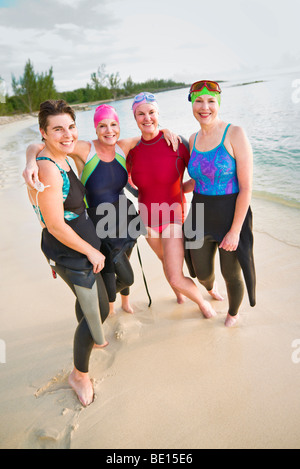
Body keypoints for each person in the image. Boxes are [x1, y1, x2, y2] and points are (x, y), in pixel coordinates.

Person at [24, 105, 178, 315]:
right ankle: (106, 305)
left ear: (119, 126)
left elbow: (150, 135)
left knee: (127, 259)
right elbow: (40, 145)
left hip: (124, 215)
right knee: (114, 269)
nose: (109, 130)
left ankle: (124, 302)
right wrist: (30, 162)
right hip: (99, 222)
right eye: (102, 126)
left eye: (113, 124)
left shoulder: (123, 145)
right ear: (95, 129)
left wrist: (166, 131)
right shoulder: (84, 148)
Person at [26, 99, 110, 407]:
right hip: (71, 253)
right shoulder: (48, 170)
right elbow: (55, 225)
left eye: (71, 127)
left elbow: (33, 146)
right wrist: (92, 251)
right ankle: (79, 374)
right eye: (58, 129)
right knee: (97, 313)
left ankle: (91, 338)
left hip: (79, 251)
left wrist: (29, 156)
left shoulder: (57, 156)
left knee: (93, 307)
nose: (67, 134)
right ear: (44, 133)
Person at [126, 92, 216, 318]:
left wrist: (182, 189)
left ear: (158, 114)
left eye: (152, 112)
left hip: (173, 217)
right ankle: (179, 294)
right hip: (146, 219)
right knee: (165, 261)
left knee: (175, 274)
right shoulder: (131, 151)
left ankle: (204, 304)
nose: (147, 118)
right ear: (135, 117)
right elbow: (124, 180)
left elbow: (198, 173)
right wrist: (138, 193)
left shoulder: (176, 143)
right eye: (141, 114)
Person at [183, 80, 256, 327]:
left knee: (231, 274)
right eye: (199, 101)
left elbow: (246, 187)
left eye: (211, 101)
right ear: (192, 104)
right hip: (199, 213)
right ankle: (210, 289)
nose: (205, 107)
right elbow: (197, 179)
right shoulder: (191, 139)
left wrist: (235, 231)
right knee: (201, 272)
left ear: (218, 104)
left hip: (230, 214)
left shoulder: (234, 133)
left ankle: (233, 313)